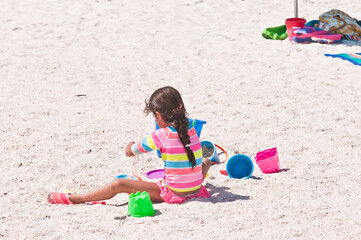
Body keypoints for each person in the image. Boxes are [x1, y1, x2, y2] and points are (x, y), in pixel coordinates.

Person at [47, 86, 211, 204]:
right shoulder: (191, 129)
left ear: (159, 114)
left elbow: (133, 151)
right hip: (196, 188)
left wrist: (130, 145)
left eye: (154, 116)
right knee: (206, 161)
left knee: (119, 184)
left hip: (174, 191)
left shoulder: (162, 134)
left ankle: (76, 198)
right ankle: (198, 173)